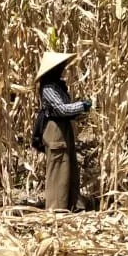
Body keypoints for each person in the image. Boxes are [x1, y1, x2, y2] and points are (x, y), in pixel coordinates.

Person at [34, 52, 93, 211]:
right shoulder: (48, 87)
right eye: (59, 67)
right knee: (58, 167)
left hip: (63, 128)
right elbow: (61, 109)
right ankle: (56, 208)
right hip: (55, 130)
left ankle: (72, 205)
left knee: (69, 166)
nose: (62, 69)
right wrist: (82, 105)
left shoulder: (57, 86)